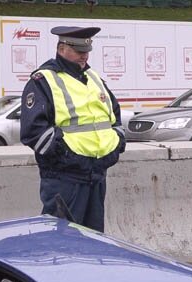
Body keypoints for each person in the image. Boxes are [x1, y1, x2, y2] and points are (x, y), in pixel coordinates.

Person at [20, 26, 126, 233]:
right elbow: (33, 131)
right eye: (79, 51)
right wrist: (66, 157)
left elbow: (114, 117)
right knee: (61, 241)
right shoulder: (43, 80)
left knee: (93, 239)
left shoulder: (94, 78)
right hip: (65, 177)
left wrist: (116, 144)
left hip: (96, 173)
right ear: (62, 49)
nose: (84, 56)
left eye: (86, 52)